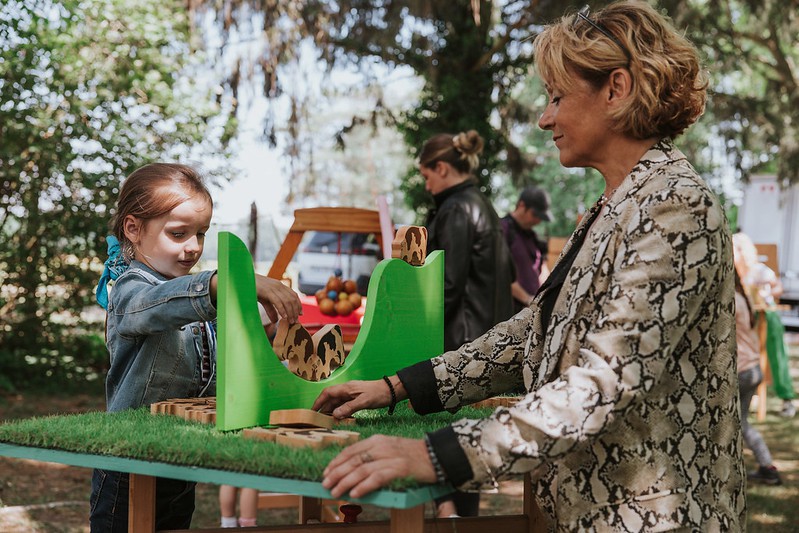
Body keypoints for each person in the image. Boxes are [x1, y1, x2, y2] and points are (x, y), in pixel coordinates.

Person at [312, 2, 746, 530]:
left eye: (557, 97)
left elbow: (601, 385)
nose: (545, 118)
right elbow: (531, 332)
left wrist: (436, 456)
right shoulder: (616, 205)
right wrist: (398, 386)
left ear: (617, 89)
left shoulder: (675, 206)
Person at [90, 163, 302, 532]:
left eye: (201, 234)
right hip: (128, 464)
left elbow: (233, 347)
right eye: (178, 233)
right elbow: (158, 306)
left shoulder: (198, 296)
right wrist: (231, 281)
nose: (193, 248)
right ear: (133, 229)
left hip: (180, 459)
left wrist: (269, 326)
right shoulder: (130, 289)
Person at [418, 129, 515, 517]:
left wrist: (415, 325)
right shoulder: (483, 205)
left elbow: (447, 283)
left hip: (458, 341)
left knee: (447, 443)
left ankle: (450, 516)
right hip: (486, 339)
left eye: (427, 176)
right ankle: (459, 517)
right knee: (466, 449)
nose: (426, 186)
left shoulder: (457, 209)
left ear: (441, 168)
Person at [733, 231, 796, 418]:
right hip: (751, 319)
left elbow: (778, 287)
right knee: (749, 358)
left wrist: (765, 293)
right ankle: (749, 397)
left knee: (776, 359)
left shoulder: (759, 270)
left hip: (768, 316)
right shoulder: (737, 273)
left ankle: (787, 399)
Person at [734, 270, 782, 485]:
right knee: (741, 423)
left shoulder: (731, 301)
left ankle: (766, 467)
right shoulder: (743, 299)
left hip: (741, 370)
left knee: (736, 424)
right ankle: (767, 466)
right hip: (752, 368)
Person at [501, 186, 552, 312]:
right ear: (522, 206)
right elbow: (500, 274)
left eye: (541, 217)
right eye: (535, 215)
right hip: (510, 311)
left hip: (531, 311)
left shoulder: (532, 236)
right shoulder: (502, 229)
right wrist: (527, 299)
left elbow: (542, 268)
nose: (538, 220)